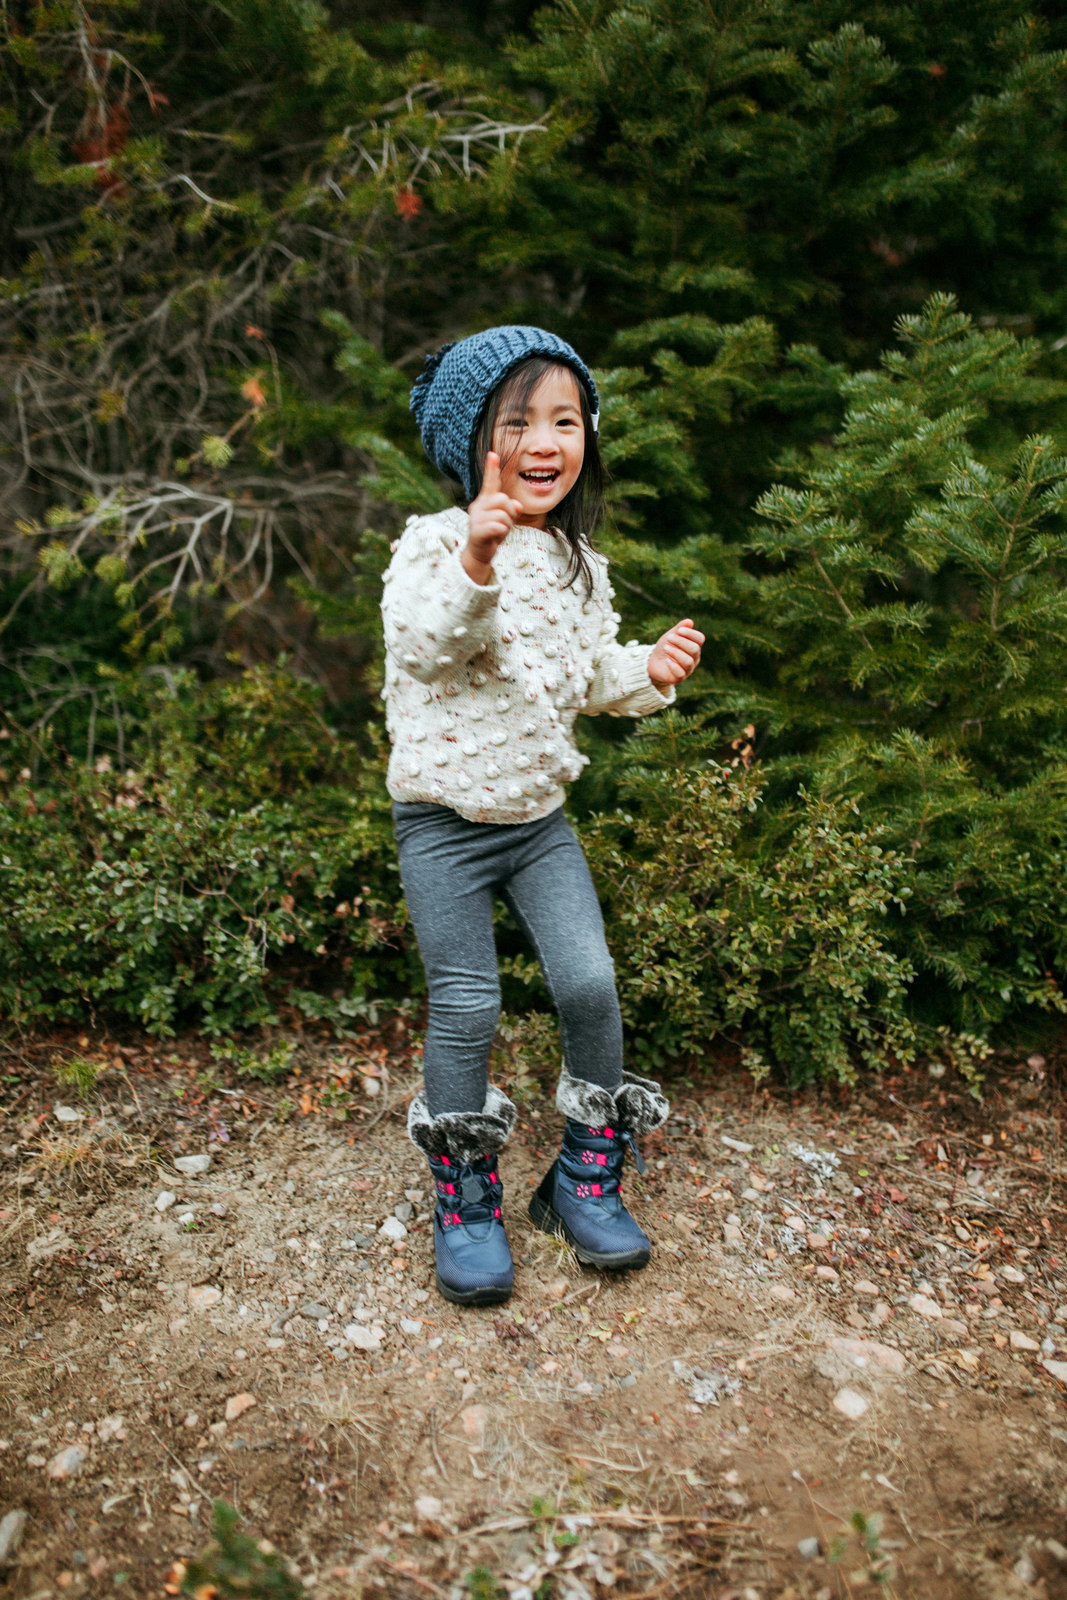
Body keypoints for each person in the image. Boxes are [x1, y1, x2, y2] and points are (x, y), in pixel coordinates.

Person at [381, 325, 703, 1306]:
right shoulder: (432, 548)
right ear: (473, 441)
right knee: (469, 1001)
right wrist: (477, 556)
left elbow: (578, 675)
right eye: (518, 419)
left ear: (585, 440)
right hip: (440, 826)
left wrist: (640, 671)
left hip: (534, 825)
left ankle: (581, 1177)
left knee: (589, 983)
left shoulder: (576, 564)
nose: (544, 439)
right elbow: (430, 645)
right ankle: (466, 1196)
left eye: (564, 419)